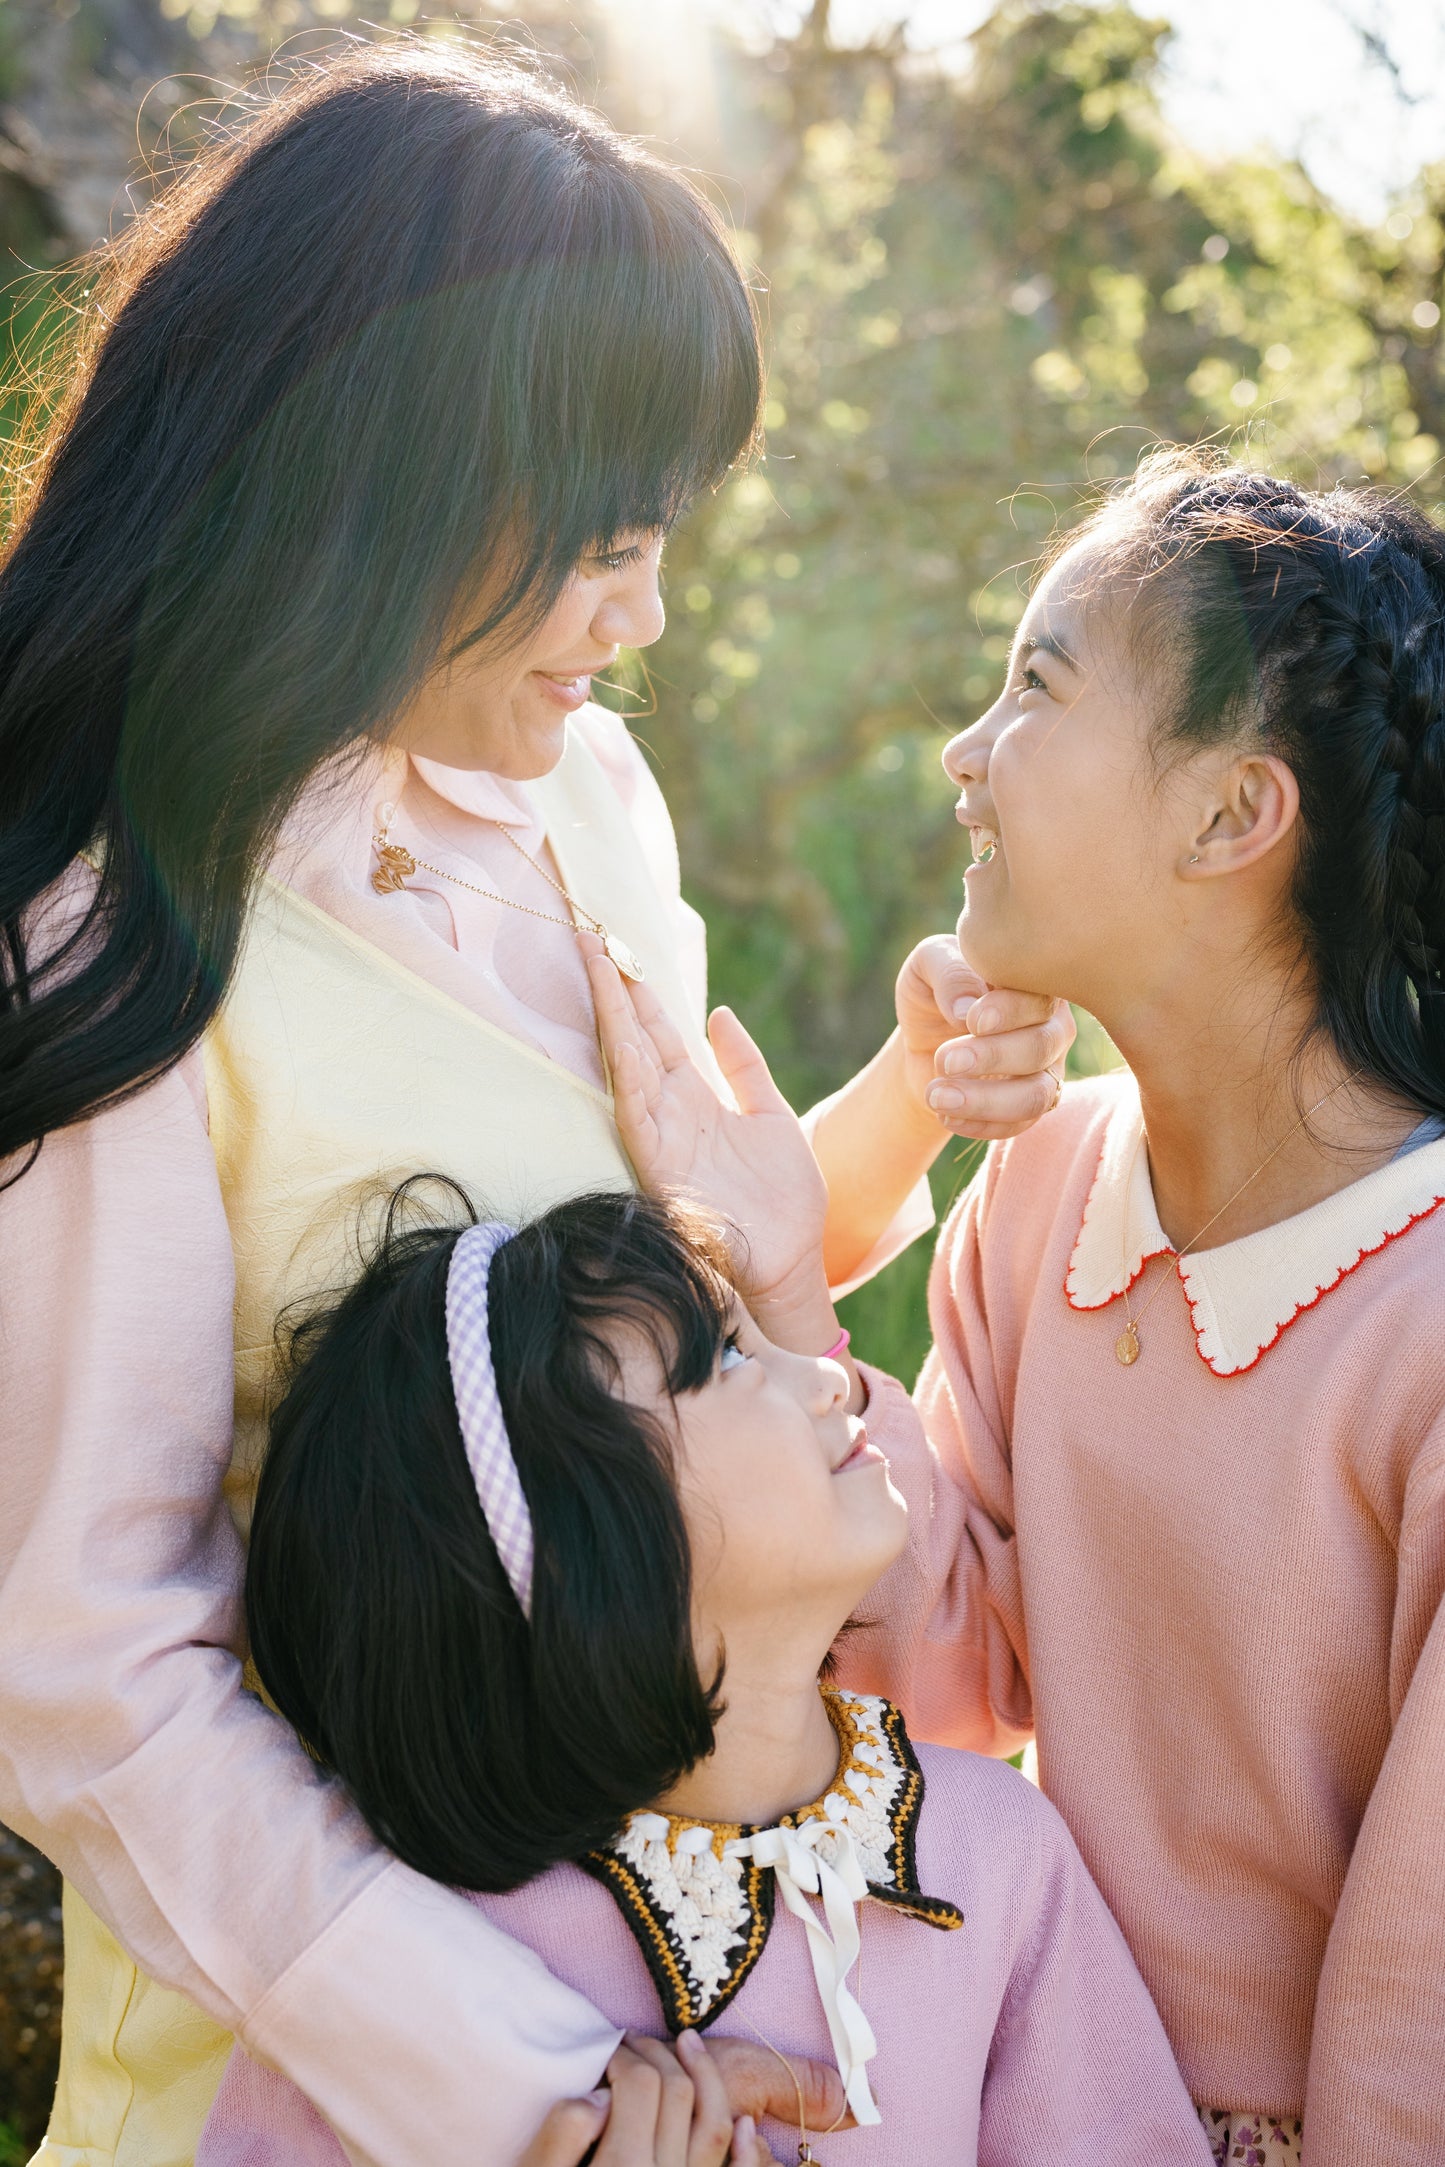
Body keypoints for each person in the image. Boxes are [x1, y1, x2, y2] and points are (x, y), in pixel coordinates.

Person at [0, 39, 1070, 2165]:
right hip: (321, 2080)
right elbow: (85, 1661)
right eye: (600, 539)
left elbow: (636, 1332)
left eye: (665, 534)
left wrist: (904, 1102)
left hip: (685, 1975)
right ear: (380, 478)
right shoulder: (110, 940)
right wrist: (509, 2075)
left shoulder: (577, 799)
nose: (645, 611)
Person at [586, 450, 1445, 2167]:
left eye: (1036, 686)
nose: (968, 757)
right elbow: (948, 1678)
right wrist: (776, 1281)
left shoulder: (1420, 1313)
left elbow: (1421, 1994)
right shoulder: (1043, 1189)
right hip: (1017, 2085)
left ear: (1230, 815)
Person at [195, 1184, 1212, 2165]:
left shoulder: (997, 1857)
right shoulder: (419, 1953)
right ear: (585, 1558)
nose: (820, 1376)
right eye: (726, 1356)